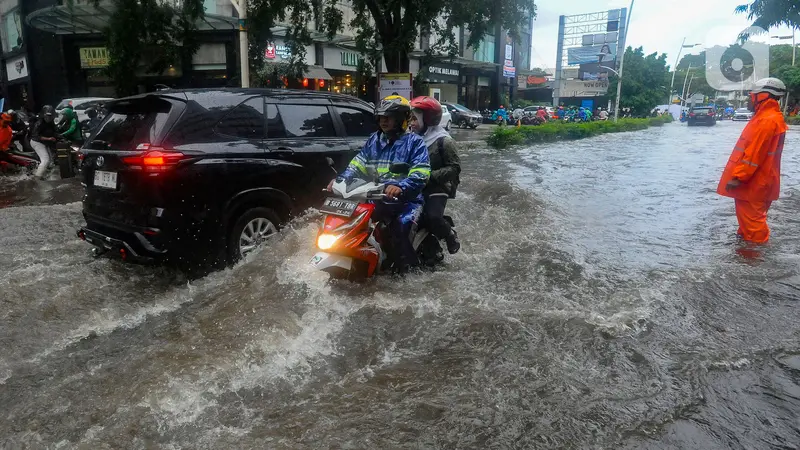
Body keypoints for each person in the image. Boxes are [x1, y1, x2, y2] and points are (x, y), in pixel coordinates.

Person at [327, 95, 431, 273]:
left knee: (402, 227)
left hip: (407, 201)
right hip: (376, 196)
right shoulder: (374, 139)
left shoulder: (416, 143)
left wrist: (401, 186)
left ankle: (407, 271)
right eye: (381, 117)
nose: (383, 121)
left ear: (400, 119)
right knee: (353, 223)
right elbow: (357, 164)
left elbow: (421, 172)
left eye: (388, 117)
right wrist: (340, 180)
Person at [717, 77, 788, 245]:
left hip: (753, 184)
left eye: (752, 95)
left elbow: (754, 154)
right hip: (762, 180)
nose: (749, 99)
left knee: (754, 230)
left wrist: (738, 177)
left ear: (763, 96)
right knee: (748, 226)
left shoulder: (766, 120)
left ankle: (756, 264)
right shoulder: (769, 117)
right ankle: (744, 258)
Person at [409, 96, 461, 255]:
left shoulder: (444, 141)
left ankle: (449, 234)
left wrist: (430, 176)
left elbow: (454, 168)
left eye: (414, 119)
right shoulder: (410, 139)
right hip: (413, 185)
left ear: (428, 119)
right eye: (409, 118)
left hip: (437, 187)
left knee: (431, 216)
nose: (411, 123)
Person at [30, 105, 57, 179]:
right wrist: (49, 139)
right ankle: (37, 177)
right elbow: (36, 136)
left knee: (51, 161)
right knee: (46, 160)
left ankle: (45, 174)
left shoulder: (51, 123)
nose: (48, 118)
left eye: (50, 116)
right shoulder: (38, 124)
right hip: (37, 142)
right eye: (47, 116)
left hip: (45, 143)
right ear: (43, 115)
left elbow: (55, 132)